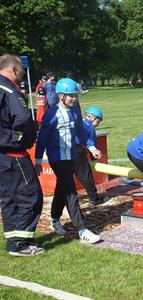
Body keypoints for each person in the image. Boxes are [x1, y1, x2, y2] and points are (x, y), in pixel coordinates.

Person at [35, 78, 100, 244]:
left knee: (62, 188)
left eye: (75, 95)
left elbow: (81, 132)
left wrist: (92, 147)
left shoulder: (75, 112)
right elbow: (42, 138)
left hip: (71, 156)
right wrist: (37, 160)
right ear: (61, 95)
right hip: (57, 159)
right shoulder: (51, 114)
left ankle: (54, 219)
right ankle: (82, 230)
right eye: (71, 95)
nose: (74, 98)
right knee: (71, 191)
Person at [0, 54, 44, 256]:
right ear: (14, 69)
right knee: (30, 195)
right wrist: (25, 140)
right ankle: (22, 244)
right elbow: (24, 118)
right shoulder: (10, 90)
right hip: (12, 154)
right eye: (20, 71)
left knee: (8, 198)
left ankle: (12, 242)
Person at [74, 106, 107, 207]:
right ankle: (94, 198)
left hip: (64, 148)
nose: (97, 124)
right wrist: (93, 158)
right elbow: (92, 143)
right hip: (77, 150)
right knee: (86, 175)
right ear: (93, 117)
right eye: (98, 121)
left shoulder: (78, 120)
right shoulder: (90, 127)